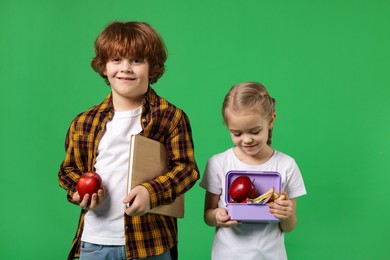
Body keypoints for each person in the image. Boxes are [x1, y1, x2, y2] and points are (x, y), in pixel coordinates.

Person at [58, 21, 200, 260]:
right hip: (95, 241)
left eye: (136, 60)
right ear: (103, 66)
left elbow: (186, 170)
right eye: (116, 59)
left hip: (151, 242)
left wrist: (150, 192)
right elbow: (69, 170)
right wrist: (78, 192)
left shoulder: (170, 116)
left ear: (152, 68)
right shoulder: (84, 122)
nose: (126, 68)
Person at [199, 82, 307, 259]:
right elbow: (208, 216)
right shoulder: (218, 163)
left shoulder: (286, 165)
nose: (247, 140)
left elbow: (288, 226)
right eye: (237, 133)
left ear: (271, 120)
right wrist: (217, 216)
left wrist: (287, 215)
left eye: (255, 131)